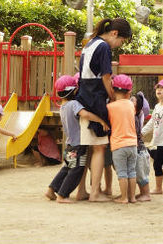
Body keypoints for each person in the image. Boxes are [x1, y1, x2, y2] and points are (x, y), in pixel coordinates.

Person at [76, 18, 132, 202]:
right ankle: (94, 193)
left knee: (86, 148)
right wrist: (112, 96)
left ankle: (82, 190)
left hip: (83, 95)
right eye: (122, 41)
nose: (119, 45)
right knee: (99, 147)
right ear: (115, 33)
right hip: (95, 97)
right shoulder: (104, 47)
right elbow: (106, 78)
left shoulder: (90, 43)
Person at [46, 75, 110, 203]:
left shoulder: (62, 107)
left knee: (67, 168)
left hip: (70, 144)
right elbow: (85, 114)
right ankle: (62, 195)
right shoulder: (74, 104)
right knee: (76, 170)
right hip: (78, 144)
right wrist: (101, 121)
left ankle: (51, 190)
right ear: (74, 91)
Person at [107, 74, 138, 204]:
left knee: (122, 173)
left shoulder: (110, 107)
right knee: (131, 171)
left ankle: (124, 197)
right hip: (132, 144)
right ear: (129, 91)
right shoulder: (131, 105)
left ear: (112, 90)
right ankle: (132, 197)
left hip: (118, 144)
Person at [131, 92, 152, 202]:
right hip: (138, 150)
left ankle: (146, 194)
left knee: (141, 174)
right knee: (137, 172)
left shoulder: (136, 116)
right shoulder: (135, 115)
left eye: (132, 100)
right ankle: (142, 192)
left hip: (140, 151)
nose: (130, 101)